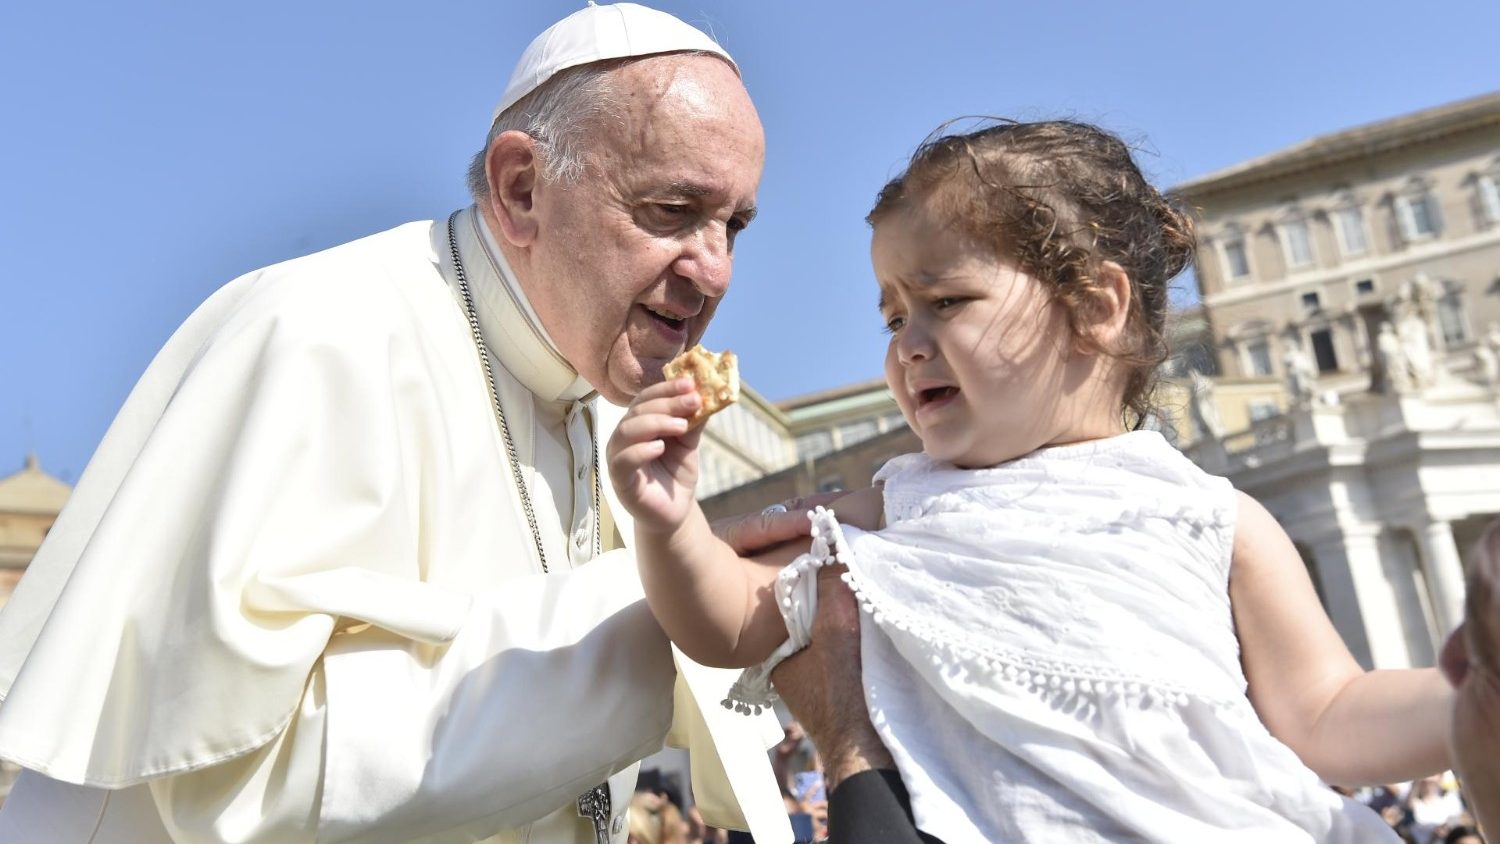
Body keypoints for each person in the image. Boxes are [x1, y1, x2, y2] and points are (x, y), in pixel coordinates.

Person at [0, 4, 803, 842]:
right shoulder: (316, 332)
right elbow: (235, 782)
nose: (715, 270)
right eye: (673, 210)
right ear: (522, 188)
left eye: (735, 225)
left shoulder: (610, 411)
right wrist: (657, 612)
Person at [606, 120, 1456, 842]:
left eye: (945, 301)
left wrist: (1472, 697)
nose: (908, 342)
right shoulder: (896, 508)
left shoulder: (1211, 515)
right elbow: (726, 622)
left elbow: (1330, 712)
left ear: (1095, 307)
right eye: (895, 315)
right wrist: (668, 524)